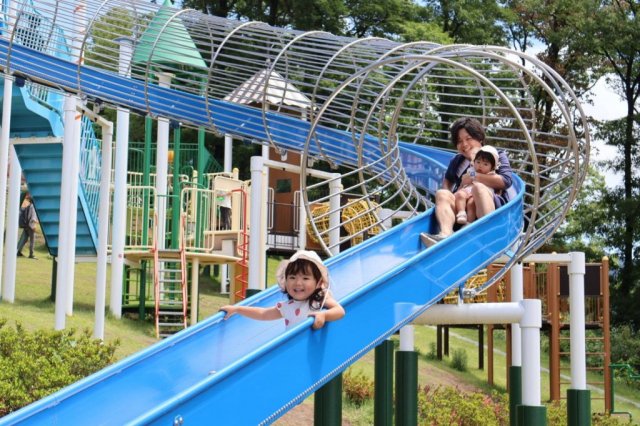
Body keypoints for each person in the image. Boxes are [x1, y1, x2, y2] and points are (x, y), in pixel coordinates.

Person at [420, 118, 514, 247]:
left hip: (485, 203)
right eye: (459, 141)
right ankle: (445, 234)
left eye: (468, 138)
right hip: (462, 207)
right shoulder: (458, 161)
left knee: (479, 188)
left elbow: (505, 181)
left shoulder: (495, 155)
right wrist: (452, 193)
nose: (464, 144)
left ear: (479, 138)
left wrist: (474, 176)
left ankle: (486, 232)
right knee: (442, 193)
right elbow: (448, 180)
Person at [221, 250, 345, 330]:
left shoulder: (320, 300)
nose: (298, 283)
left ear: (319, 283)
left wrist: (323, 315)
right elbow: (263, 314)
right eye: (292, 277)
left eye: (306, 278)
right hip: (292, 353)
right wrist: (237, 309)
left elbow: (339, 311)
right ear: (285, 281)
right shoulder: (287, 307)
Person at [454, 145, 501, 225]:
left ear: (492, 167)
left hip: (477, 195)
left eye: (485, 164)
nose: (480, 166)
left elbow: (498, 186)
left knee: (471, 204)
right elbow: (465, 180)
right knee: (460, 194)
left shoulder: (491, 174)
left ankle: (468, 223)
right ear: (474, 162)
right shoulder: (471, 170)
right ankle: (461, 213)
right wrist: (461, 186)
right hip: (468, 190)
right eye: (478, 162)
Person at [17, 193, 38, 259]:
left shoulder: (27, 205)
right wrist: (34, 226)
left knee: (23, 239)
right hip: (30, 226)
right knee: (32, 240)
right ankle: (31, 254)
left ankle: (17, 251)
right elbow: (32, 217)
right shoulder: (32, 206)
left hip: (26, 225)